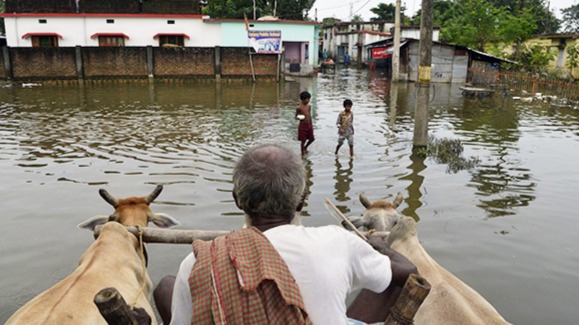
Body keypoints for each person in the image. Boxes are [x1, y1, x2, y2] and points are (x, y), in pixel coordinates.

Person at [154, 144, 417, 325]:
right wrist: (377, 245)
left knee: (166, 286)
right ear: (301, 200)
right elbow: (410, 273)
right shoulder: (339, 242)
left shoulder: (198, 262)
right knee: (389, 279)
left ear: (237, 200)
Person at [296, 91, 315, 157]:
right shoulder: (299, 108)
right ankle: (302, 154)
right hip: (302, 126)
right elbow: (296, 117)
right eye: (308, 99)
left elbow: (309, 115)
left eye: (309, 99)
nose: (309, 100)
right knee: (303, 141)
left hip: (309, 125)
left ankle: (305, 147)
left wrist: (311, 125)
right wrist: (300, 117)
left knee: (312, 139)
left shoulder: (309, 107)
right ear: (303, 99)